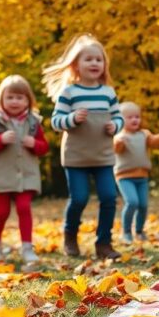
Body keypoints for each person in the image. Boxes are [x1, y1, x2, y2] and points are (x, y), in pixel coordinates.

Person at [43, 34, 123, 259]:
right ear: (76, 64)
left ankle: (104, 243)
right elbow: (56, 121)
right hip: (76, 157)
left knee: (109, 197)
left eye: (99, 59)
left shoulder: (108, 92)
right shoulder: (69, 92)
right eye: (89, 59)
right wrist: (72, 119)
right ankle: (70, 236)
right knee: (79, 199)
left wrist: (114, 126)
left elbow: (119, 118)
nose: (94, 63)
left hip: (103, 156)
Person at [0, 75, 49, 265]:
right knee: (1, 212)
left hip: (26, 175)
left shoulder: (33, 122)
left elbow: (44, 147)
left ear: (28, 100)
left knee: (24, 208)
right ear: (1, 99)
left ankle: (27, 247)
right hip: (1, 176)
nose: (15, 101)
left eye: (20, 97)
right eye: (10, 97)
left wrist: (34, 143)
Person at [113, 101, 159, 242]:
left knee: (143, 205)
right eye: (130, 117)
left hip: (142, 176)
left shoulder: (144, 134)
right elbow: (115, 149)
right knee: (132, 202)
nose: (134, 120)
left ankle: (139, 231)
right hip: (124, 177)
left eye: (137, 117)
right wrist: (120, 142)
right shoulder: (119, 136)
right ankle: (126, 232)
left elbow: (155, 141)